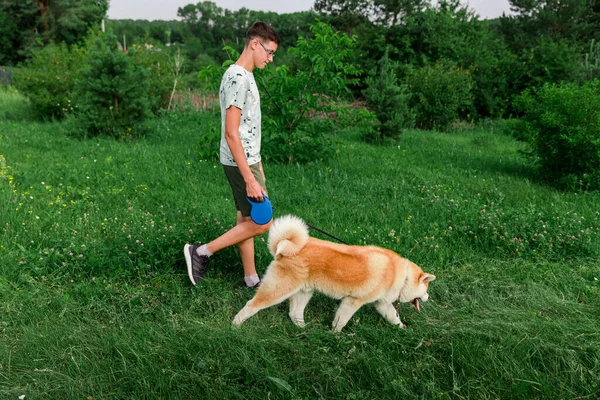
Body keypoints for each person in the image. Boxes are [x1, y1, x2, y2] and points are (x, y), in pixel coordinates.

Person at [184, 21, 281, 289]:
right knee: (263, 221)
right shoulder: (238, 78)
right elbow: (231, 132)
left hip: (247, 158)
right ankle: (201, 252)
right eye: (269, 52)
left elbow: (247, 129)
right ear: (254, 44)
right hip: (240, 160)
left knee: (246, 218)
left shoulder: (243, 75)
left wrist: (257, 163)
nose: (270, 59)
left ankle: (251, 279)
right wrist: (249, 178)